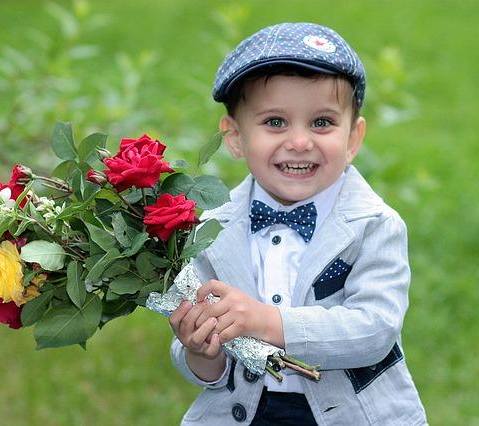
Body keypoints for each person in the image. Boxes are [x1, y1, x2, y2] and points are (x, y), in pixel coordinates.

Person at [168, 22, 427, 425]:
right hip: (243, 412)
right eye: (275, 122)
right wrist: (203, 352)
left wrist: (270, 323)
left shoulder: (374, 225)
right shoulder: (210, 229)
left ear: (353, 139)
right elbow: (198, 361)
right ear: (235, 137)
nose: (300, 141)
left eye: (322, 122)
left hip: (351, 414)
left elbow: (374, 328)